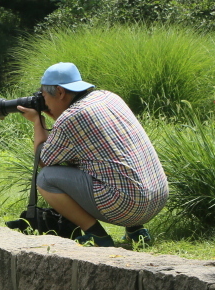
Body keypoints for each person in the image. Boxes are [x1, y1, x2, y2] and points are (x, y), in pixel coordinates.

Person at [18, 62, 168, 247]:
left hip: (128, 207)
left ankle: (97, 236)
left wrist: (37, 121)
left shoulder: (71, 118)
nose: (43, 101)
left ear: (60, 92)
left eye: (44, 95)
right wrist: (57, 115)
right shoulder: (109, 97)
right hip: (157, 198)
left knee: (46, 179)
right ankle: (136, 231)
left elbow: (43, 160)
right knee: (113, 167)